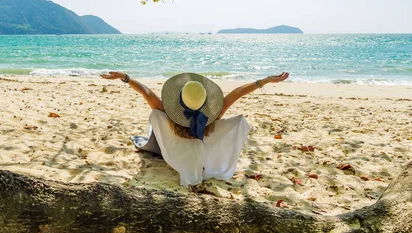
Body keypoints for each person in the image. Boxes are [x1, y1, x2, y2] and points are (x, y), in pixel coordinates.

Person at [100, 71, 290, 186]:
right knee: (235, 121)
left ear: (178, 99)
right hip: (203, 159)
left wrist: (125, 78)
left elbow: (146, 92)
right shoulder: (211, 117)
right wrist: (264, 81)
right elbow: (237, 92)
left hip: (175, 155)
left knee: (156, 116)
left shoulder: (167, 113)